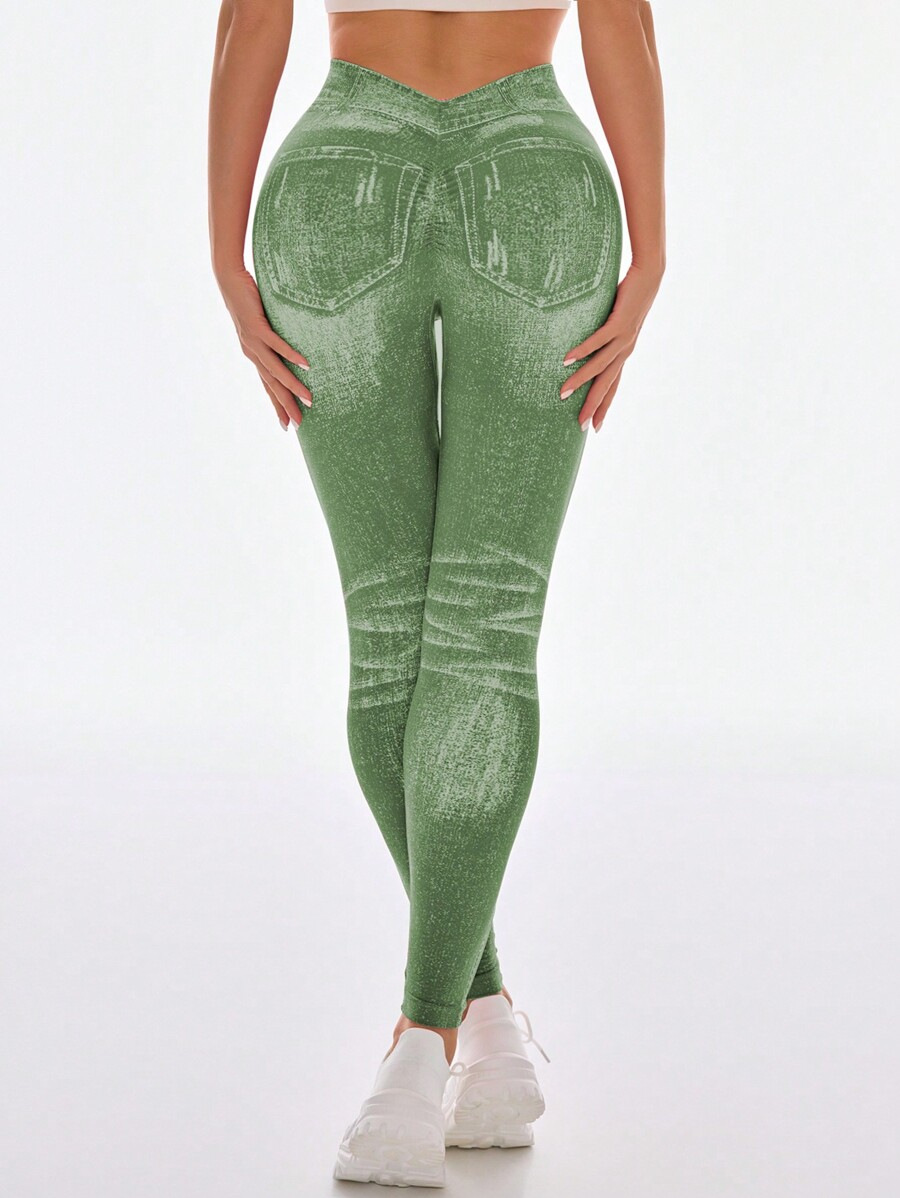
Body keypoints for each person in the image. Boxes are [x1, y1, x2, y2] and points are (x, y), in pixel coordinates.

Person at [208, 0, 665, 1184]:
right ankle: (471, 1026)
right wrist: (652, 248)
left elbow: (251, 16)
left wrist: (225, 256)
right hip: (538, 180)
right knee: (486, 629)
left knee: (390, 641)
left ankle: (427, 1042)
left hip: (336, 183)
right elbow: (620, 13)